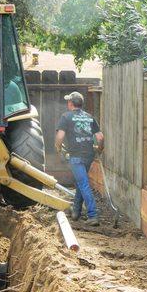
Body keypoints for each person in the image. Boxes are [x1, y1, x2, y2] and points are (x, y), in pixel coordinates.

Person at [55, 91, 104, 226]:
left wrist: (58, 149)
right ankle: (76, 211)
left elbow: (59, 137)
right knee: (79, 182)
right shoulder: (89, 117)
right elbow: (100, 137)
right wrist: (99, 149)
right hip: (89, 155)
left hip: (76, 156)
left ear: (70, 103)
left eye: (68, 102)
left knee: (83, 184)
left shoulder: (66, 117)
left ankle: (93, 215)